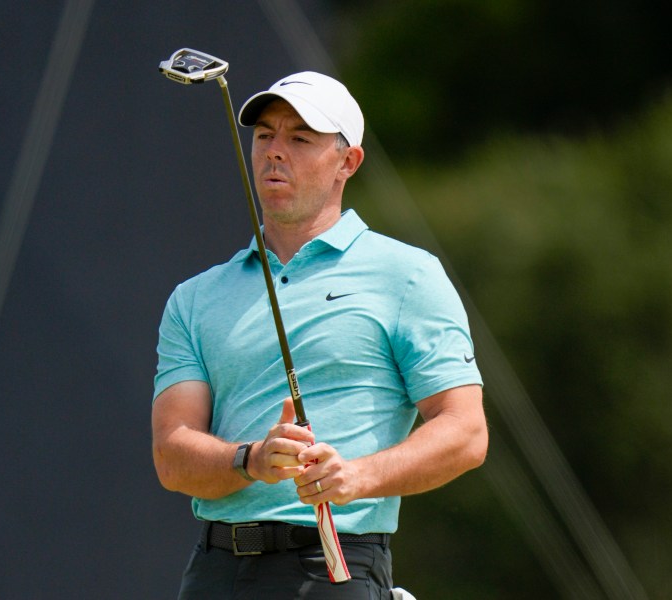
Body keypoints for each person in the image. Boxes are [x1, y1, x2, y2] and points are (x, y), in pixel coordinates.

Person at [151, 70, 488, 599]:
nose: (274, 152)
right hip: (214, 570)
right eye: (265, 135)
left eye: (300, 138)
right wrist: (251, 460)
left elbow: (466, 433)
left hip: (333, 565)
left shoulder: (408, 275)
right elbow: (172, 455)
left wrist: (356, 477)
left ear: (347, 162)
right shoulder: (194, 299)